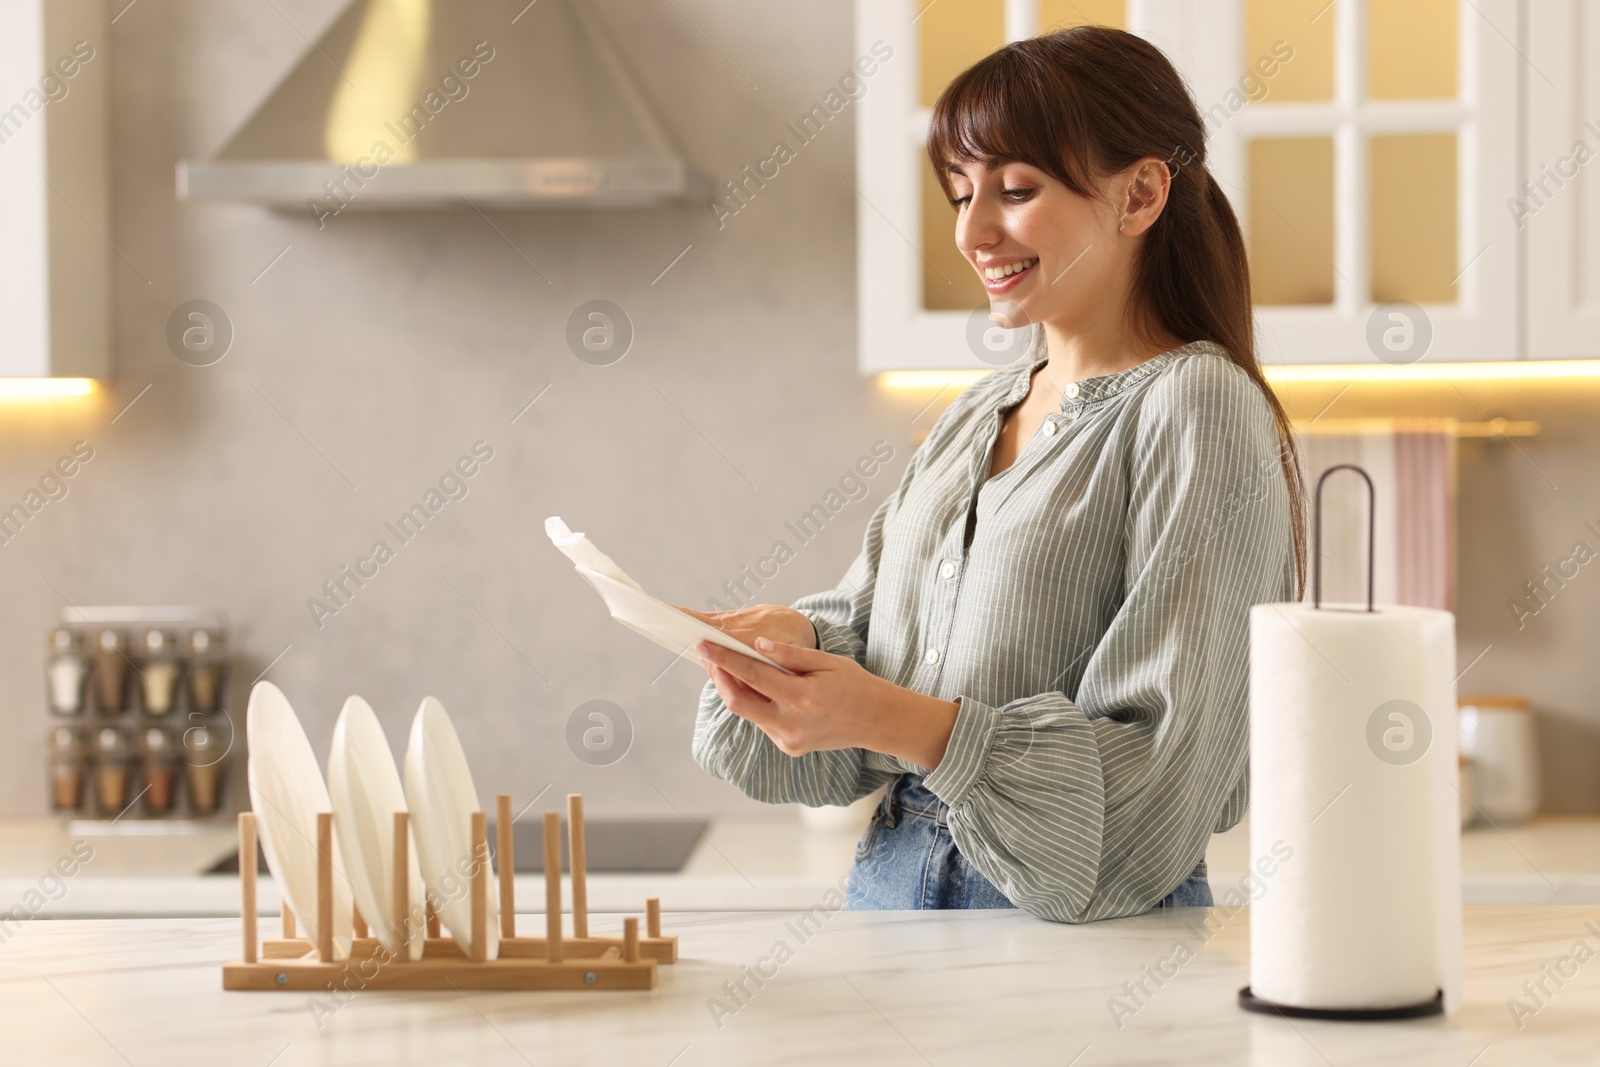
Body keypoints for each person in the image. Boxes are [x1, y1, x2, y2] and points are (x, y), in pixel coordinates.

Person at [680, 26, 1305, 922]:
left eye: (1016, 190)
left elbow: (1159, 776)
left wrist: (890, 718)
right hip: (890, 891)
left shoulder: (1197, 406)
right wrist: (796, 648)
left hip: (1066, 930)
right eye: (961, 192)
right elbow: (874, 646)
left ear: (1139, 194)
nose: (973, 232)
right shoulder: (979, 411)